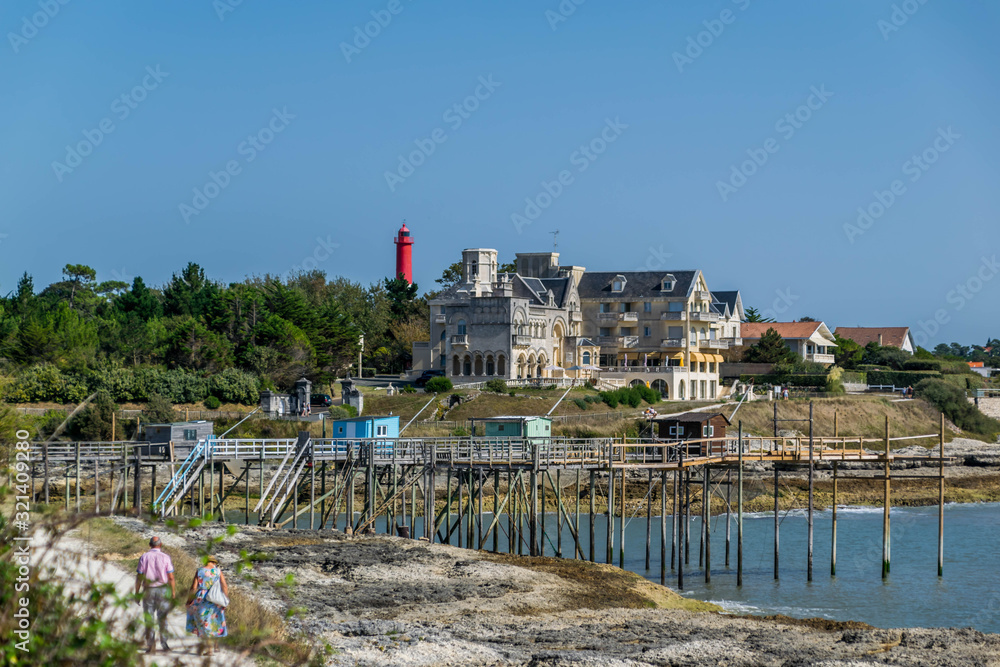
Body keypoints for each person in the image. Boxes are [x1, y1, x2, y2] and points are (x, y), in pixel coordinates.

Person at [135, 536, 176, 654]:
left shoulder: (144, 557)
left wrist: (137, 592)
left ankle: (151, 644)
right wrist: (173, 592)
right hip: (163, 590)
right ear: (161, 544)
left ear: (149, 545)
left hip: (148, 590)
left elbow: (139, 576)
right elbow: (171, 577)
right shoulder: (166, 557)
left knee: (149, 618)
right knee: (162, 618)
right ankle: (164, 643)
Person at [186, 555, 229, 655]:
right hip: (216, 599)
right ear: (214, 562)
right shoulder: (218, 571)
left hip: (202, 598)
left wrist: (189, 601)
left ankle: (209, 648)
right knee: (215, 620)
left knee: (203, 622)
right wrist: (225, 599)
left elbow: (193, 588)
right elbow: (224, 586)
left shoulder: (200, 571)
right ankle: (215, 645)